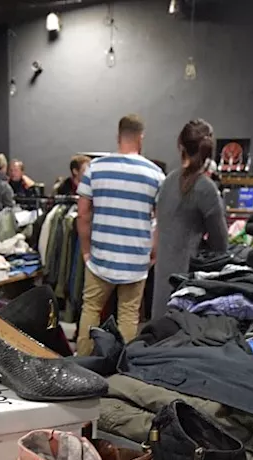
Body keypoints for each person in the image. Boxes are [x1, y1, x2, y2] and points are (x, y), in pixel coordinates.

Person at [76, 115, 165, 355]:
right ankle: (119, 369)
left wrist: (86, 250)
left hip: (100, 256)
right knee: (128, 313)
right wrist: (153, 251)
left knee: (91, 308)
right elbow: (160, 220)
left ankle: (82, 362)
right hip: (136, 258)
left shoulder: (96, 168)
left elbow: (83, 214)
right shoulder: (155, 174)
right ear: (141, 138)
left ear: (118, 136)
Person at [152, 119, 229, 320]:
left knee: (159, 335)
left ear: (181, 146)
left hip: (163, 279)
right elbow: (220, 245)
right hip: (190, 283)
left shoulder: (168, 181)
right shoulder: (206, 188)